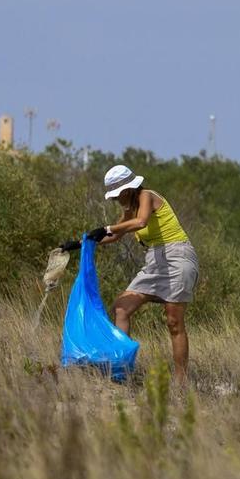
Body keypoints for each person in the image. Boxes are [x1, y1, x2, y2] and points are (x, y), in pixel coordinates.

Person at [96, 163, 197, 382]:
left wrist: (109, 228)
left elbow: (140, 222)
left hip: (177, 256)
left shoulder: (147, 196)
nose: (114, 200)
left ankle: (180, 383)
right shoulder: (128, 209)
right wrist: (86, 241)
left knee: (173, 321)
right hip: (154, 260)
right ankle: (121, 371)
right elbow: (114, 236)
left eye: (116, 195)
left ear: (128, 189)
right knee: (121, 307)